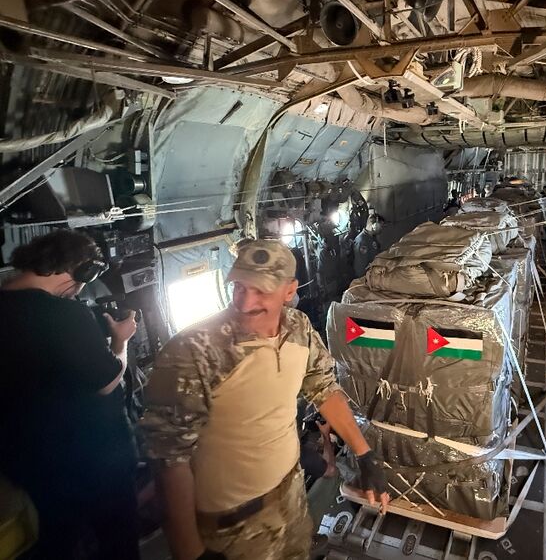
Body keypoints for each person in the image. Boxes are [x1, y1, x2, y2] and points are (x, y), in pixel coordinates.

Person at [140, 239, 389, 560]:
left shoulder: (298, 329)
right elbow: (169, 459)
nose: (245, 302)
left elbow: (324, 390)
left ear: (289, 290)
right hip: (233, 531)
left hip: (292, 505)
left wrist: (364, 454)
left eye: (261, 291)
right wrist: (190, 552)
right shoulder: (193, 352)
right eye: (239, 287)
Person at [0, 230, 139, 559]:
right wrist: (121, 343)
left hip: (27, 461)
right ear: (82, 271)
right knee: (118, 545)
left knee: (56, 543)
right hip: (92, 461)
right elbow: (106, 380)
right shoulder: (64, 314)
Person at [353, 211, 383, 278]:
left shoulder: (372, 238)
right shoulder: (361, 241)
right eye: (381, 226)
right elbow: (360, 267)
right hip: (367, 278)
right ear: (374, 225)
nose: (381, 229)